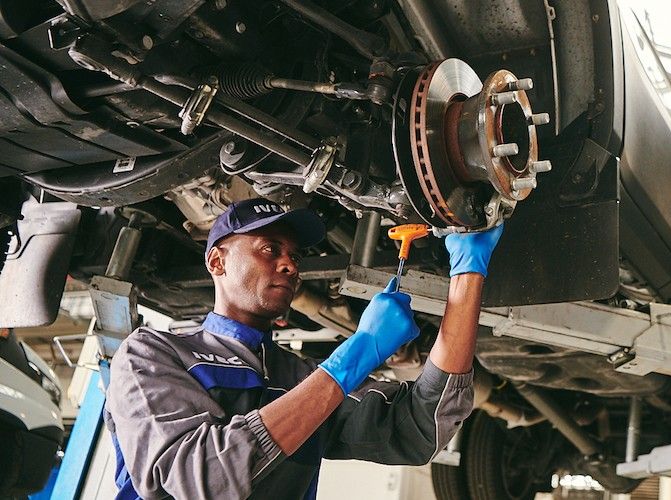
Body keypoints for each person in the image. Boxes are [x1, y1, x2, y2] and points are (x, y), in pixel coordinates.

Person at [104, 198, 503, 499]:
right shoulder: (152, 354)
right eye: (269, 249)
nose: (290, 265)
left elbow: (418, 427)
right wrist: (356, 352)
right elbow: (203, 478)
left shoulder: (297, 378)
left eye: (294, 256)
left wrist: (467, 273)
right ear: (216, 262)